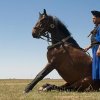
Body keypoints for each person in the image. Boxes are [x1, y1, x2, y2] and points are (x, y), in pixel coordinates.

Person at [85, 10, 100, 82]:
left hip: (98, 48)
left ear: (99, 18)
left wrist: (99, 49)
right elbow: (95, 41)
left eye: (94, 18)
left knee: (99, 65)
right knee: (96, 66)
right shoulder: (97, 27)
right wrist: (88, 47)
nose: (92, 20)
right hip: (95, 48)